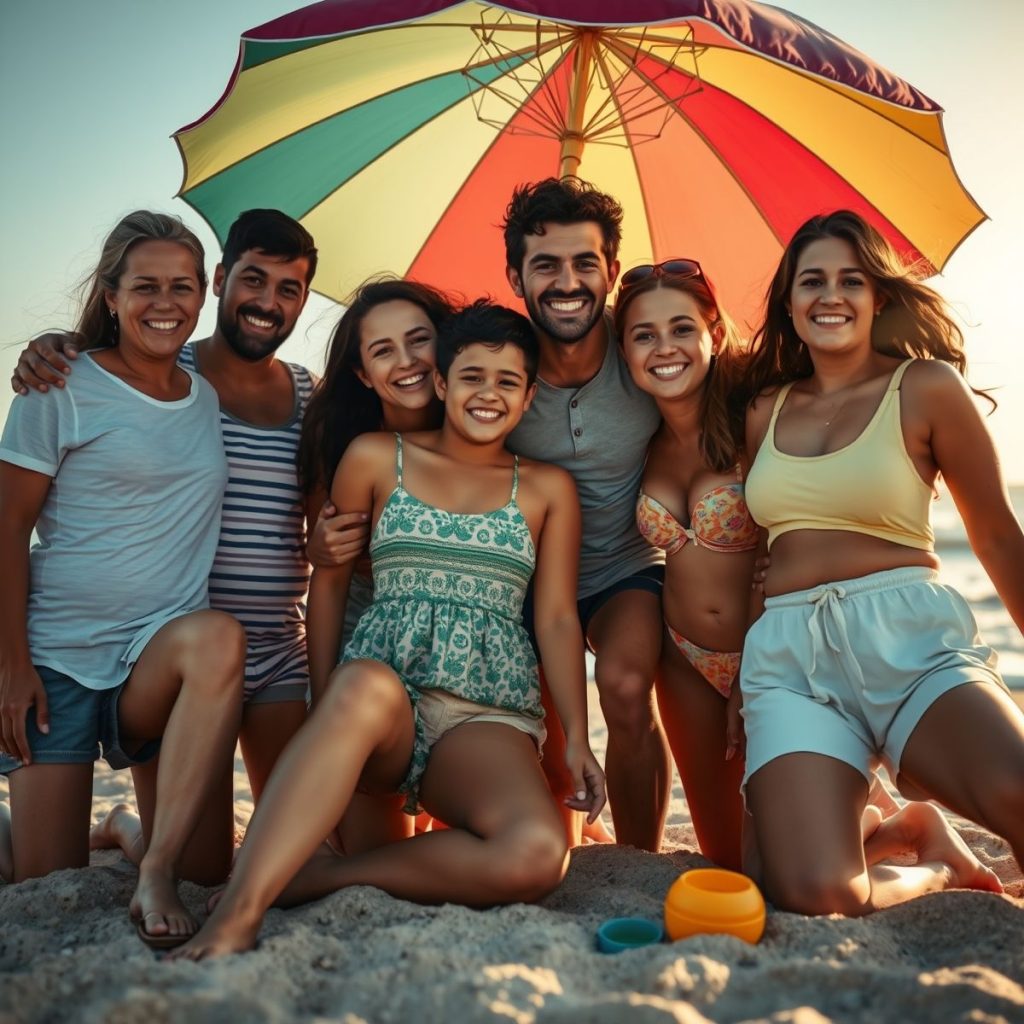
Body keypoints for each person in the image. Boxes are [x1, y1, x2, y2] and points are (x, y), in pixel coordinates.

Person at [170, 300, 605, 960]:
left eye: (507, 382)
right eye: (472, 376)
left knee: (538, 855)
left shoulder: (546, 489)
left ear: (528, 397)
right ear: (441, 382)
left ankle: (326, 876)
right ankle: (238, 910)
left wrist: (575, 735)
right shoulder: (378, 457)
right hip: (382, 702)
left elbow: (555, 617)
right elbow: (331, 585)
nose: (488, 394)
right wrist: (324, 702)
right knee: (366, 684)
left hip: (483, 713)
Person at [9, 212, 370, 865]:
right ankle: (113, 829)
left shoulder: (300, 393)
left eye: (289, 290)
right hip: (158, 652)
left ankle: (127, 827)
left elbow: (322, 520)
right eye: (253, 280)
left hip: (255, 649)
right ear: (222, 282)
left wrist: (327, 548)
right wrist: (54, 344)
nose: (268, 301)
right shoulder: (156, 372)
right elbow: (106, 379)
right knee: (159, 870)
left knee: (296, 849)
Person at [740, 209, 1024, 914]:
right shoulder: (763, 409)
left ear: (879, 298)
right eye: (812, 281)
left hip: (911, 642)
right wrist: (732, 690)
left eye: (851, 280)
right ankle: (930, 858)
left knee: (1018, 791)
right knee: (816, 892)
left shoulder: (924, 387)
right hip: (791, 663)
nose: (830, 295)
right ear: (789, 301)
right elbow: (757, 557)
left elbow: (993, 534)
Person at [0, 211, 244, 947]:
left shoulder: (205, 395)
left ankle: (156, 861)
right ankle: (94, 825)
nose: (164, 302)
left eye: (182, 286)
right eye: (145, 286)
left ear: (205, 297)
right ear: (110, 295)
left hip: (153, 667)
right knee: (43, 882)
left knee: (205, 871)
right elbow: (9, 527)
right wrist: (12, 669)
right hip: (57, 663)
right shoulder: (59, 384)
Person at [503, 178, 668, 851]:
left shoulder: (646, 354)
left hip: (625, 567)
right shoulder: (499, 366)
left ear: (611, 272)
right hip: (527, 581)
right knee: (543, 725)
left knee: (625, 684)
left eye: (584, 263)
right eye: (545, 265)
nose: (566, 281)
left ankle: (638, 858)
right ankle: (569, 837)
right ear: (515, 275)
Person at [613, 260, 754, 869]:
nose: (663, 348)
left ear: (713, 335)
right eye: (643, 335)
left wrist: (756, 668)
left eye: (680, 328)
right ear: (623, 350)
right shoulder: (638, 437)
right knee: (728, 860)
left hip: (772, 653)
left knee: (782, 864)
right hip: (683, 657)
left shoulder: (759, 414)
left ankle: (919, 830)